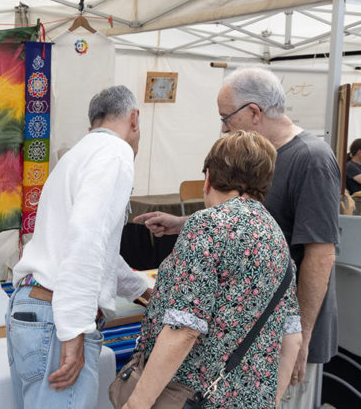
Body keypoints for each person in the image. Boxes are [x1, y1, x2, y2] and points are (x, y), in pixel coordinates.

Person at [135, 67, 341, 409]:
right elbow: (241, 225)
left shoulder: (311, 159)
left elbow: (321, 255)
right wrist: (182, 223)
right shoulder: (261, 160)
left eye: (226, 117)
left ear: (254, 112)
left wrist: (301, 338)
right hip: (250, 344)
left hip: (278, 338)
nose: (223, 127)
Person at [121, 131, 302, 409]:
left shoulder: (206, 226)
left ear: (208, 178)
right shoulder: (276, 238)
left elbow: (183, 329)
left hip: (192, 397)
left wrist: (137, 404)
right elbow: (292, 337)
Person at [8, 85, 152, 409]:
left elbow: (95, 248)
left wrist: (142, 290)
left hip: (32, 305)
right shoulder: (116, 153)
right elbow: (86, 238)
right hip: (55, 316)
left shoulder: (76, 155)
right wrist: (73, 330)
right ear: (134, 119)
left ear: (92, 126)